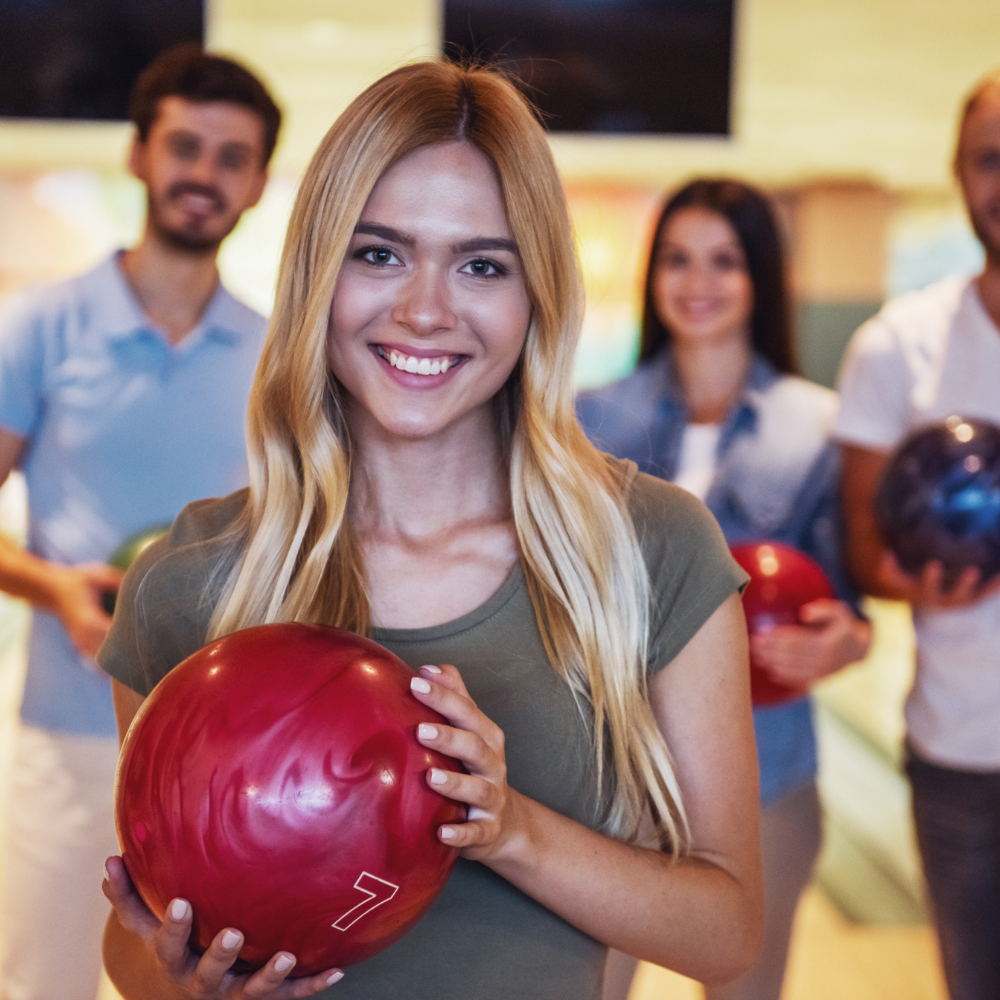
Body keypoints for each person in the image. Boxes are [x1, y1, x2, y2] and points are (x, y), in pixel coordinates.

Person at [98, 61, 763, 1000]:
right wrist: (186, 982)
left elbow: (726, 934)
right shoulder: (195, 579)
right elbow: (132, 950)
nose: (424, 310)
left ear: (538, 295)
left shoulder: (648, 549)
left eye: (482, 265)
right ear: (318, 273)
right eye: (379, 254)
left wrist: (509, 827)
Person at [0, 45, 280, 1000]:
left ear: (259, 181)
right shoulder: (38, 326)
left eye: (231, 156)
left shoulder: (278, 356)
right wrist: (58, 589)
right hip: (71, 734)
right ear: (138, 155)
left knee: (189, 990)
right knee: (48, 981)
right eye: (185, 146)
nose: (204, 173)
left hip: (224, 759)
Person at [577, 179, 871, 1000]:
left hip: (764, 776)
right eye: (676, 259)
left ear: (760, 279)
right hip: (611, 778)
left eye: (723, 262)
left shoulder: (816, 427)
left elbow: (846, 607)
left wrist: (840, 641)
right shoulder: (589, 420)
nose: (696, 282)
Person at [835, 68, 1000, 1000]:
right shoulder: (899, 344)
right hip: (963, 750)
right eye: (990, 160)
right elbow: (866, 552)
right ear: (958, 174)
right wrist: (918, 579)